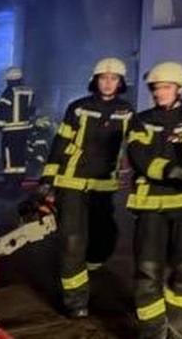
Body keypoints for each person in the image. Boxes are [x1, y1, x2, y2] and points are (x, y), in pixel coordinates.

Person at [126, 62, 182, 339]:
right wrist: (173, 171)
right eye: (156, 88)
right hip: (150, 208)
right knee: (148, 273)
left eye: (165, 87)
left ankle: (175, 325)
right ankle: (153, 332)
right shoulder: (141, 121)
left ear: (179, 89)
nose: (159, 93)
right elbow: (140, 158)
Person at [39, 57, 134, 318]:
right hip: (72, 183)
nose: (108, 83)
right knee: (72, 240)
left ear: (121, 82)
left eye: (113, 78)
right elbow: (60, 143)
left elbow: (136, 147)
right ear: (95, 80)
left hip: (103, 185)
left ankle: (87, 267)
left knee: (105, 238)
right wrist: (47, 180)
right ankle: (75, 302)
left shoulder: (127, 111)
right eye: (103, 78)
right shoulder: (78, 108)